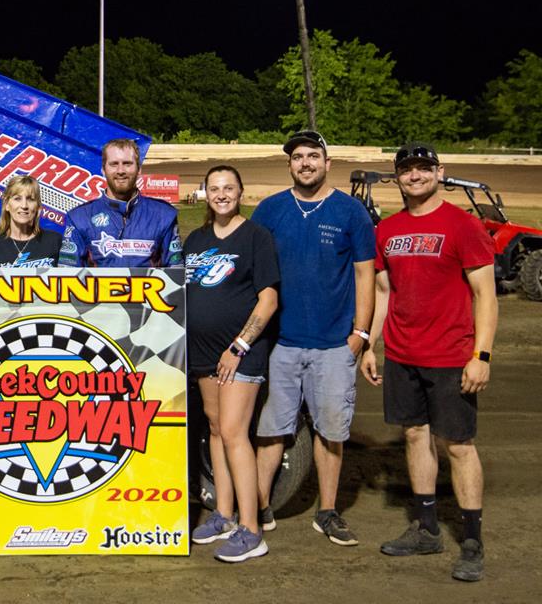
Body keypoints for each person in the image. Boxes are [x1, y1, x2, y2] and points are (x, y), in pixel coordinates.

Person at [361, 143, 497, 582]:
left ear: (440, 172)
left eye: (423, 168)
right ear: (397, 176)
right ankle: (426, 529)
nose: (415, 176)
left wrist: (482, 355)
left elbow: (486, 297)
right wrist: (371, 345)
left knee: (457, 444)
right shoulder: (388, 230)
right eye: (407, 170)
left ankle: (472, 539)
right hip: (402, 354)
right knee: (414, 434)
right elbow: (384, 293)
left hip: (452, 356)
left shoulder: (465, 225)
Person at [251, 130, 376, 545]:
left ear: (327, 163)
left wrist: (360, 334)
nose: (305, 163)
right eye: (298, 157)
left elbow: (365, 275)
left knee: (331, 432)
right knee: (271, 429)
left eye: (312, 156)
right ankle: (259, 506)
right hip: (281, 343)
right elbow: (253, 271)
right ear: (290, 165)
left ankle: (327, 511)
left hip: (333, 345)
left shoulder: (350, 212)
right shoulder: (270, 210)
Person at [185, 166, 279, 563]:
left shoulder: (256, 237)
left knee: (235, 432)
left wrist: (239, 345)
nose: (221, 195)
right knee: (216, 430)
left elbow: (268, 299)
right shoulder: (196, 239)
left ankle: (251, 529)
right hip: (203, 352)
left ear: (241, 192)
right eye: (214, 188)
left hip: (240, 351)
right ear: (205, 193)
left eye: (229, 188)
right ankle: (223, 514)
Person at [59, 138, 182, 268]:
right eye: (114, 164)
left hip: (149, 288)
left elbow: (176, 270)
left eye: (127, 163)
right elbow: (67, 273)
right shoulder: (79, 217)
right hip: (97, 289)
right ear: (103, 170)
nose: (121, 171)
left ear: (139, 169)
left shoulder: (164, 214)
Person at [0, 176, 62, 268]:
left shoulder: (54, 241)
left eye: (30, 199)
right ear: (7, 205)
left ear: (38, 206)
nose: (24, 205)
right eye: (17, 199)